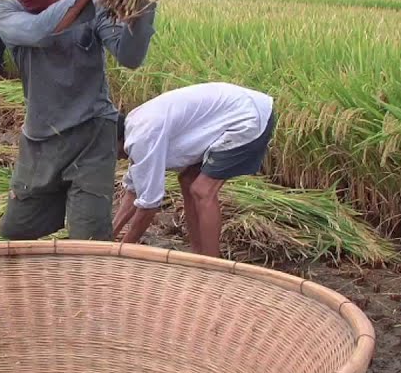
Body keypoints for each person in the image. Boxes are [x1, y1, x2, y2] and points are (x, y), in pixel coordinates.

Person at [0, 0, 158, 241]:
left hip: (92, 135)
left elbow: (131, 56)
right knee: (15, 235)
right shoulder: (4, 11)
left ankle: (90, 286)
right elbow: (40, 31)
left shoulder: (95, 3)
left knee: (88, 239)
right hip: (40, 140)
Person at [111, 82, 277, 256]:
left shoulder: (141, 138)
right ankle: (197, 255)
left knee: (202, 190)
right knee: (187, 180)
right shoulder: (134, 126)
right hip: (230, 111)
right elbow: (133, 191)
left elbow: (149, 206)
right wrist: (109, 237)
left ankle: (212, 264)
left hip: (247, 116)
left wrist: (122, 250)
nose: (113, 159)